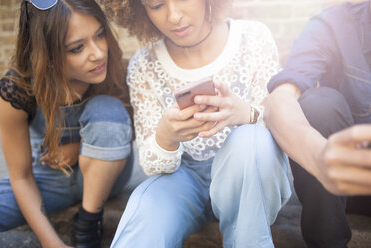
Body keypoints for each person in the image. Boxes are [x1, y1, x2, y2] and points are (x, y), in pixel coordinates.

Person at [101, 0, 292, 247]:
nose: (173, 16)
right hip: (184, 178)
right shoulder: (144, 65)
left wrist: (247, 114)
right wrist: (165, 137)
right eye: (156, 5)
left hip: (247, 179)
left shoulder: (253, 38)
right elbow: (150, 164)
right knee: (145, 208)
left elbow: (282, 125)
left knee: (250, 140)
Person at [0, 0, 146, 247]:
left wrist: (78, 145)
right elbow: (21, 177)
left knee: (108, 109)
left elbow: (121, 131)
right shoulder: (17, 89)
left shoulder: (118, 70)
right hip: (48, 179)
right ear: (47, 54)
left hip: (108, 175)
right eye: (77, 48)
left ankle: (88, 225)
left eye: (100, 35)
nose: (98, 53)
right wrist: (51, 243)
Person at [264, 1, 371, 247]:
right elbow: (278, 101)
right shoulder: (334, 24)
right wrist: (322, 157)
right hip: (349, 181)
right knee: (317, 104)